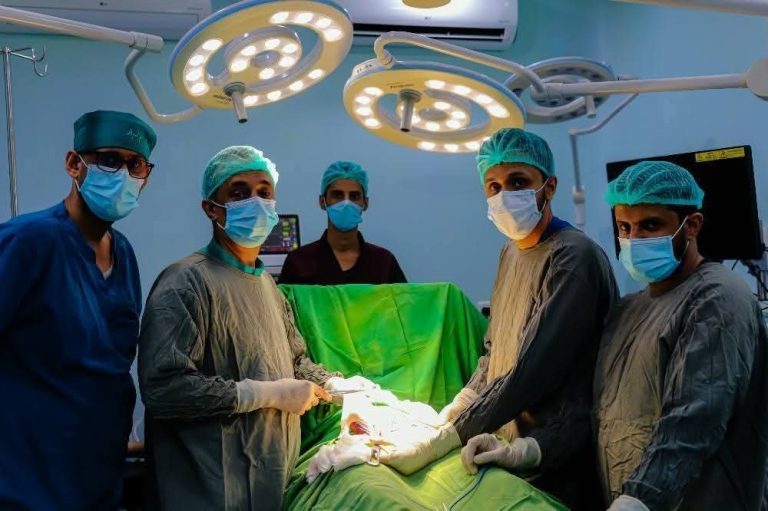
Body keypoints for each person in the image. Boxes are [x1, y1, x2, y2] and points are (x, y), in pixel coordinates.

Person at [381, 128, 618, 511]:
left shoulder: (574, 259)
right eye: (493, 185)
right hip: (510, 444)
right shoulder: (511, 253)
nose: (504, 194)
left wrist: (449, 436)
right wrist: (464, 402)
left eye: (518, 182)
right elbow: (496, 351)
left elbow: (533, 370)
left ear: (550, 187)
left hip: (559, 449)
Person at [138, 146, 376, 511]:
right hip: (207, 490)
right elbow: (164, 389)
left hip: (270, 480)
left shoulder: (267, 285)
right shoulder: (185, 283)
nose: (255, 201)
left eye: (264, 192)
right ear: (211, 208)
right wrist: (262, 394)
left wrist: (333, 385)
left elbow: (294, 362)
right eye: (239, 193)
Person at [0, 110, 157, 509]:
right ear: (74, 163)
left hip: (97, 477)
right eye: (109, 160)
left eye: (135, 165)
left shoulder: (123, 254)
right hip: (26, 483)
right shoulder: (28, 241)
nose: (123, 174)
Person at [594, 160, 768, 511]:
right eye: (624, 227)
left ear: (692, 225)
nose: (634, 239)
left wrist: (639, 499)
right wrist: (532, 449)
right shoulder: (627, 311)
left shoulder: (718, 298)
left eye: (651, 225)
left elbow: (694, 418)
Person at [279, 160, 407, 285]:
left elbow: (405, 299)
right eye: (338, 195)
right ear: (322, 202)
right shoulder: (298, 263)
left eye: (354, 196)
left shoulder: (384, 263)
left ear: (365, 203)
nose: (346, 203)